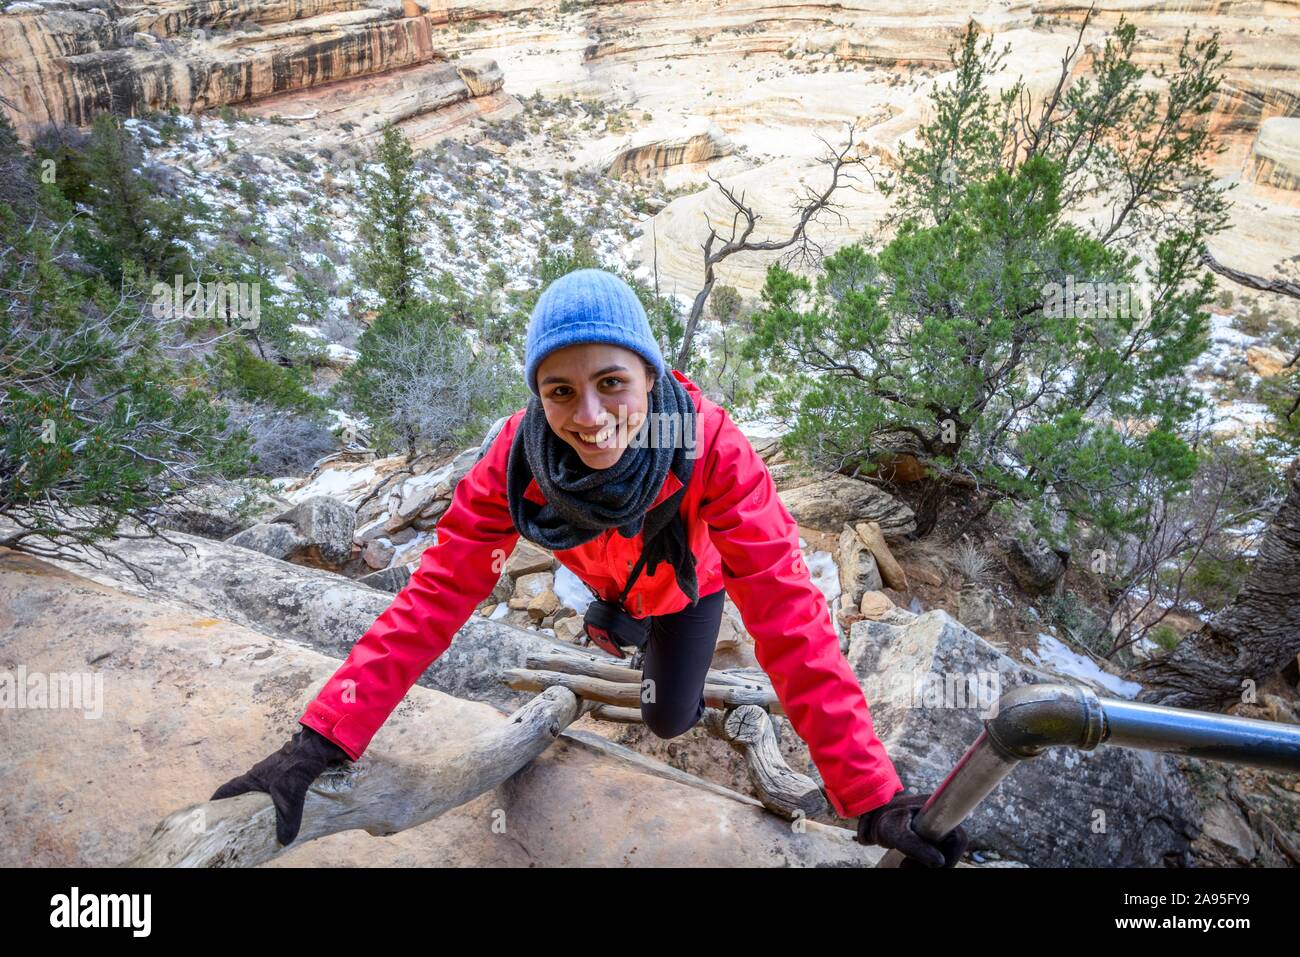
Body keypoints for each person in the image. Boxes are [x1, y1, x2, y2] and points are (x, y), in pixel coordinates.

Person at [212, 268, 968, 867]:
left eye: (612, 382)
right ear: (537, 396)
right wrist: (320, 739)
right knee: (615, 623)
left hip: (685, 585)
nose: (590, 416)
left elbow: (791, 619)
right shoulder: (517, 460)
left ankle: (641, 641)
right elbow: (432, 600)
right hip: (606, 579)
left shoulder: (711, 449)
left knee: (669, 719)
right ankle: (617, 626)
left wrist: (871, 793)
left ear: (649, 372)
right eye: (560, 390)